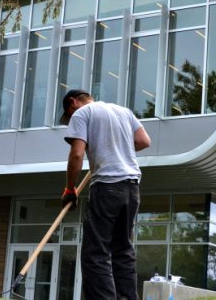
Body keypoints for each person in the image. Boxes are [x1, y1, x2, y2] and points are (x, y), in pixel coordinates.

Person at [60, 89, 151, 300]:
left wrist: (69, 189)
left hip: (107, 187)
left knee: (96, 253)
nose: (71, 119)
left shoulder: (83, 114)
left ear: (73, 102)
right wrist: (114, 149)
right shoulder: (123, 111)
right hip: (132, 189)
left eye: (69, 114)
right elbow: (144, 141)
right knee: (122, 251)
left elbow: (76, 154)